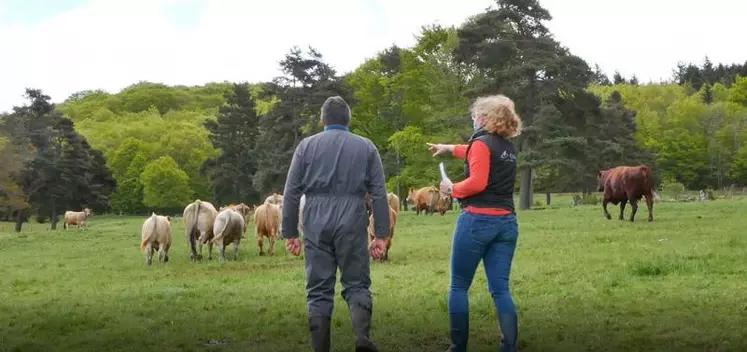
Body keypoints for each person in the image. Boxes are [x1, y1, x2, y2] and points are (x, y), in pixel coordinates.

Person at [281, 95, 391, 352]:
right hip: (352, 216)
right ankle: (362, 337)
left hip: (315, 219)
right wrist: (381, 234)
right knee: (357, 283)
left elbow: (291, 192)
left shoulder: (305, 147)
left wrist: (289, 232)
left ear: (322, 120)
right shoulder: (366, 147)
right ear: (348, 120)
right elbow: (378, 192)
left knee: (318, 289)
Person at [427, 94, 523, 352]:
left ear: (484, 118)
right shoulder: (508, 148)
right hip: (506, 223)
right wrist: (448, 148)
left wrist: (451, 188)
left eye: (474, 116)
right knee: (501, 290)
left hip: (477, 221)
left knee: (458, 285)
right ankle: (509, 346)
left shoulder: (481, 143)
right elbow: (474, 153)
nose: (473, 120)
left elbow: (477, 182)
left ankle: (458, 347)